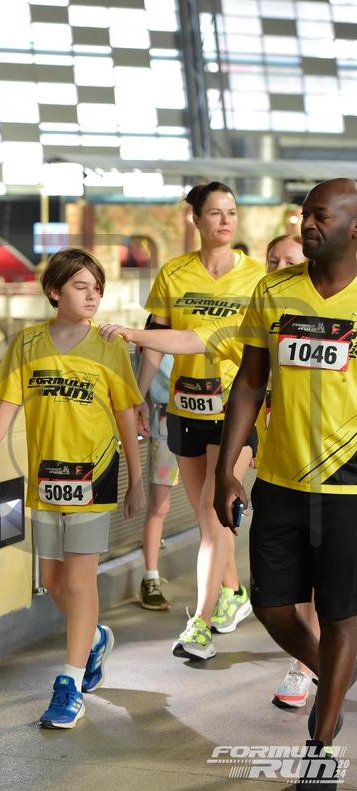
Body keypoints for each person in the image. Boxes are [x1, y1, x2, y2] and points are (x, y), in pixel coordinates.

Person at [214, 178, 357, 787]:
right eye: (304, 215)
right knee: (271, 605)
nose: (307, 224)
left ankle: (320, 744)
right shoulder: (273, 292)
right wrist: (226, 467)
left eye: (321, 215)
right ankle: (336, 676)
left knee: (343, 614)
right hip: (278, 478)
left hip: (349, 488)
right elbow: (250, 382)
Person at [0, 247, 145, 730]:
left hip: (94, 474)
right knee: (52, 579)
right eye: (80, 286)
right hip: (46, 477)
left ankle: (69, 682)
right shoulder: (28, 343)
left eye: (97, 288)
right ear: (54, 291)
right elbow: (9, 399)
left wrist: (134, 479)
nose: (92, 296)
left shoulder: (109, 345)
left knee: (80, 580)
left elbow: (126, 414)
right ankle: (93, 638)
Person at [136, 181, 265, 659]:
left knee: (213, 517)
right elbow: (155, 340)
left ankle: (200, 626)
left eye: (232, 212)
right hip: (185, 409)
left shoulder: (256, 278)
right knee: (210, 521)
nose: (226, 220)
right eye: (215, 212)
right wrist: (136, 396)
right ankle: (233, 591)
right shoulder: (174, 273)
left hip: (236, 409)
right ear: (196, 219)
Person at [261, 234, 321, 710]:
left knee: (328, 582)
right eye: (273, 260)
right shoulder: (266, 307)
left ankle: (311, 666)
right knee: (290, 584)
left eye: (290, 260)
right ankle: (314, 662)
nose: (280, 267)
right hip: (281, 469)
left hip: (340, 472)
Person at [134, 317, 179, 610]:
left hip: (208, 419)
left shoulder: (200, 327)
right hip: (166, 422)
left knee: (211, 508)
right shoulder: (152, 334)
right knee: (159, 505)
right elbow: (143, 386)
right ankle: (150, 577)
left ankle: (225, 584)